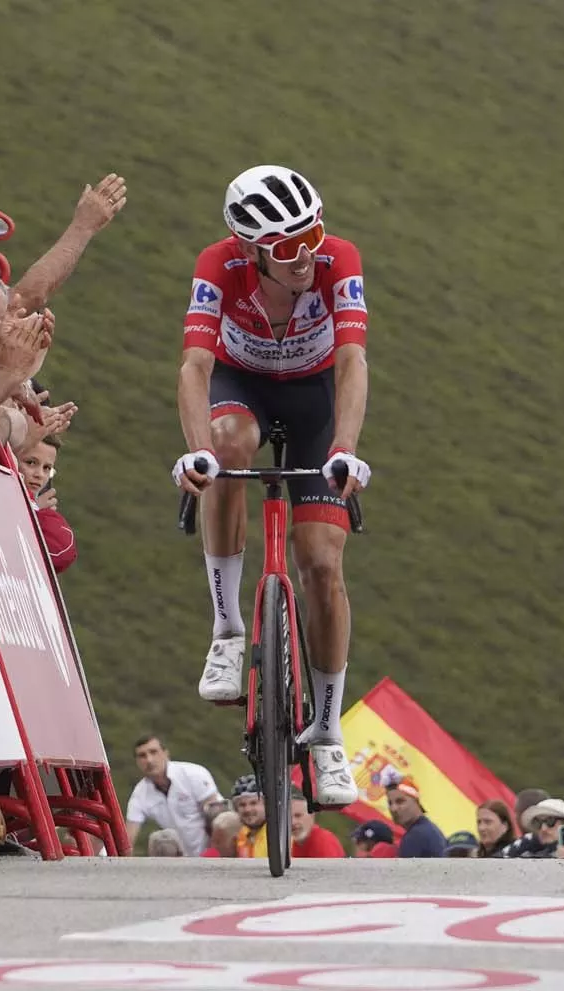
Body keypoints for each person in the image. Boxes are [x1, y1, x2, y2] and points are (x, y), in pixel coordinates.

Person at [172, 165, 370, 807]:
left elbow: (351, 361)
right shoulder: (219, 266)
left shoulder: (338, 260)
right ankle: (228, 629)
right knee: (229, 448)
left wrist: (345, 450)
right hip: (243, 385)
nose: (306, 256)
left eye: (312, 233)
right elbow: (196, 367)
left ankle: (328, 731)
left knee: (321, 563)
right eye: (287, 248)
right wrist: (197, 452)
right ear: (250, 249)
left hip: (314, 398)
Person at [123, 735, 222, 857]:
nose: (149, 760)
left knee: (224, 820)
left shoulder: (193, 774)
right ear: (137, 762)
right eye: (142, 756)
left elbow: (216, 815)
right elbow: (128, 838)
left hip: (213, 848)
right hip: (180, 856)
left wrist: (213, 852)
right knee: (159, 839)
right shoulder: (139, 794)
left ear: (166, 754)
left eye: (154, 752)